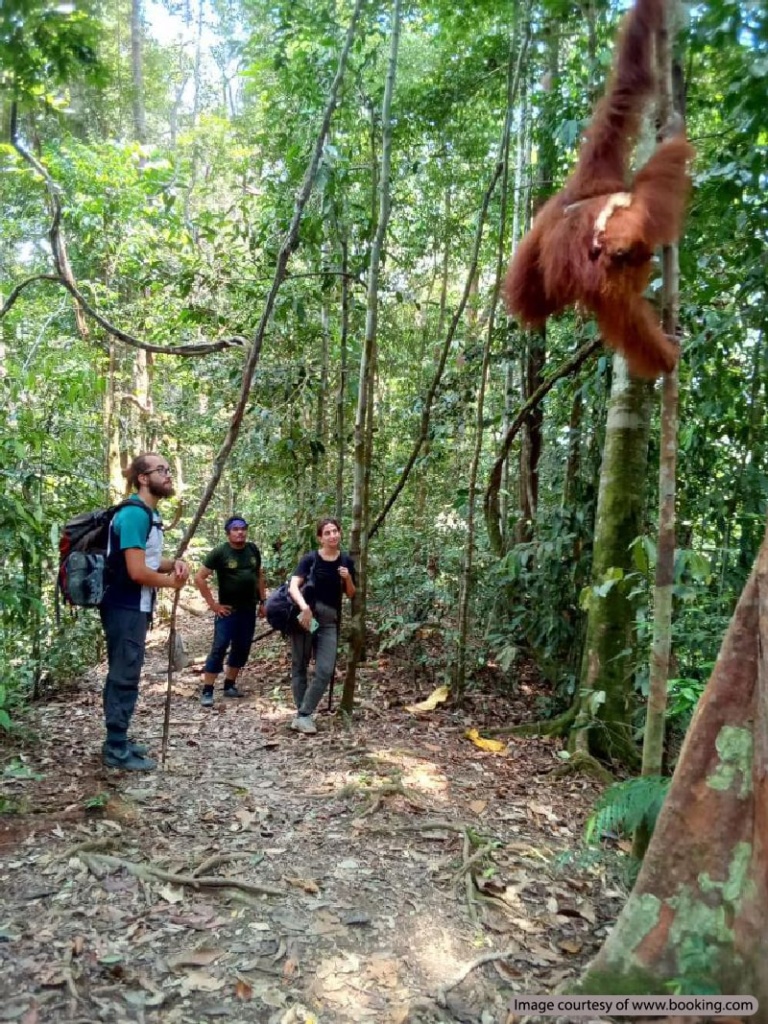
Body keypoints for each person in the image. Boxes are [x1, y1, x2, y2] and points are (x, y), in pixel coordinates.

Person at [100, 453, 189, 771]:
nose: (168, 475)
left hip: (133, 605)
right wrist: (171, 583)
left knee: (126, 672)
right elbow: (137, 572)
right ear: (142, 478)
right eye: (160, 470)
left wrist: (173, 564)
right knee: (124, 675)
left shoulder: (146, 515)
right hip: (125, 605)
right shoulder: (135, 514)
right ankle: (115, 748)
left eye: (168, 469)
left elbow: (148, 561)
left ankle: (119, 739)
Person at [288, 517, 356, 735]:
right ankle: (304, 715)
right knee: (300, 665)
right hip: (307, 617)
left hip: (328, 621)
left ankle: (303, 714)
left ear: (340, 533)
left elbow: (351, 593)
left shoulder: (345, 560)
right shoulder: (310, 559)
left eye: (335, 531)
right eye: (327, 533)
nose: (332, 535)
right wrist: (304, 608)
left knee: (325, 670)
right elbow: (293, 586)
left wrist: (347, 578)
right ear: (320, 538)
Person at [195, 516, 267, 707]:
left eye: (243, 528)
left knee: (242, 646)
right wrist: (214, 605)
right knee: (219, 647)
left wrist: (263, 601)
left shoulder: (252, 549)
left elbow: (259, 575)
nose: (240, 532)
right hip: (227, 611)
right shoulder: (220, 552)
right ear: (228, 533)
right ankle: (208, 689)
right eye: (235, 529)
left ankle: (229, 685)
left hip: (248, 609)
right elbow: (200, 577)